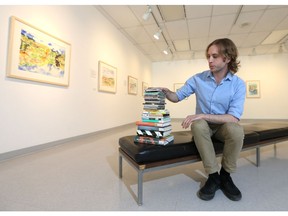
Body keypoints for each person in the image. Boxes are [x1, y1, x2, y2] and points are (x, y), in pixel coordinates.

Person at [160, 38, 246, 201]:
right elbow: (177, 96)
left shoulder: (238, 84)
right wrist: (167, 93)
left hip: (223, 127)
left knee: (236, 130)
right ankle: (213, 176)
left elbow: (233, 118)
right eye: (208, 56)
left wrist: (203, 114)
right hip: (203, 127)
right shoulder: (198, 79)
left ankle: (226, 176)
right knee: (198, 124)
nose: (209, 60)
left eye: (214, 56)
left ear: (227, 58)